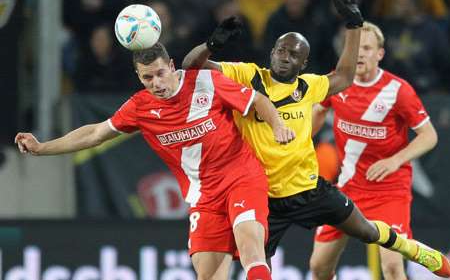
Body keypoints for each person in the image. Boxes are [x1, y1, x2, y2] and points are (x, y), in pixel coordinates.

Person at [182, 0, 450, 278]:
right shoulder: (247, 75)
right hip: (261, 194)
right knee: (259, 265)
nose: (285, 57)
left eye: (294, 54)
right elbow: (190, 68)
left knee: (367, 232)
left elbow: (345, 77)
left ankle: (414, 250)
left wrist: (353, 26)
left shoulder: (309, 86)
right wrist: (211, 45)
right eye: (281, 50)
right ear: (272, 52)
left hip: (308, 190)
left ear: (304, 62)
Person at [14, 42, 297, 280]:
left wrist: (278, 126)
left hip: (241, 177)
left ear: (172, 66)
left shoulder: (205, 82)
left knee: (251, 251)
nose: (157, 83)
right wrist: (42, 148)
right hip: (203, 196)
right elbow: (96, 133)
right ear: (139, 77)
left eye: (161, 73)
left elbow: (258, 100)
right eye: (147, 78)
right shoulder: (140, 107)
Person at [310, 21, 439, 280]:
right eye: (355, 46)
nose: (359, 53)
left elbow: (429, 136)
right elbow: (319, 109)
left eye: (367, 48)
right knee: (319, 267)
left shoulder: (398, 91)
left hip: (389, 189)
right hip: (348, 186)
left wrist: (396, 160)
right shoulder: (336, 81)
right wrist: (299, 142)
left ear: (380, 54)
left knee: (391, 267)